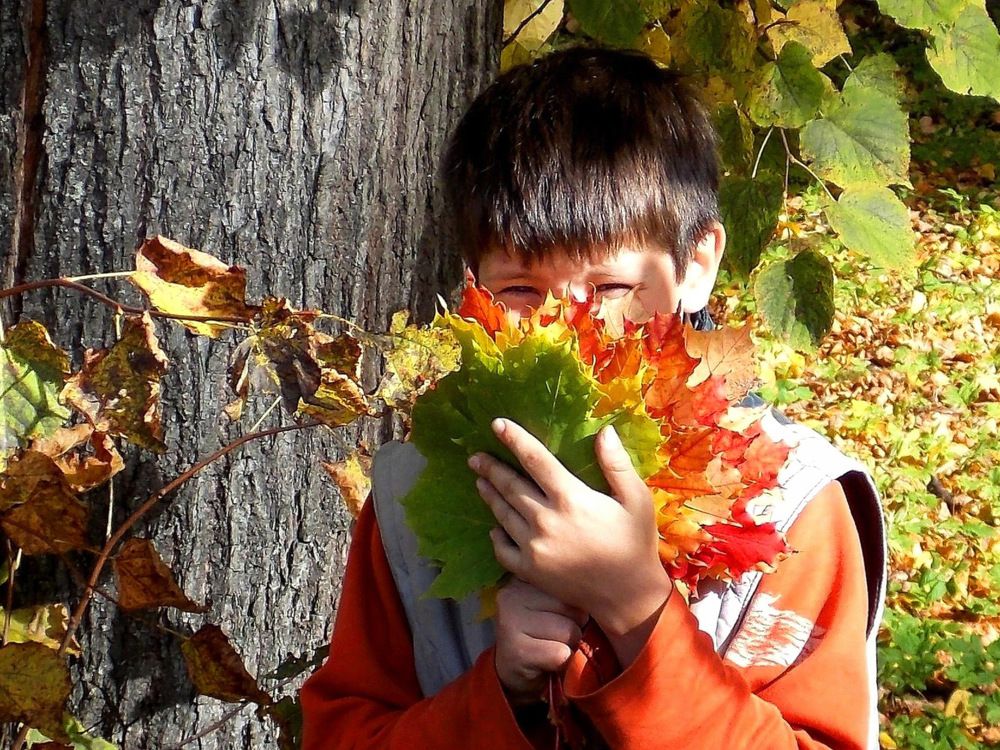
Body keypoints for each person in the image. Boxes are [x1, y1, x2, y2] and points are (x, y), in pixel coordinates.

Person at [299, 46, 887, 749]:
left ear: (696, 265)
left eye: (609, 289)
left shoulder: (790, 504)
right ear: (476, 286)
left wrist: (636, 610)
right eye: (521, 290)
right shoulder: (420, 492)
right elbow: (343, 734)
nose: (564, 329)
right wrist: (500, 693)